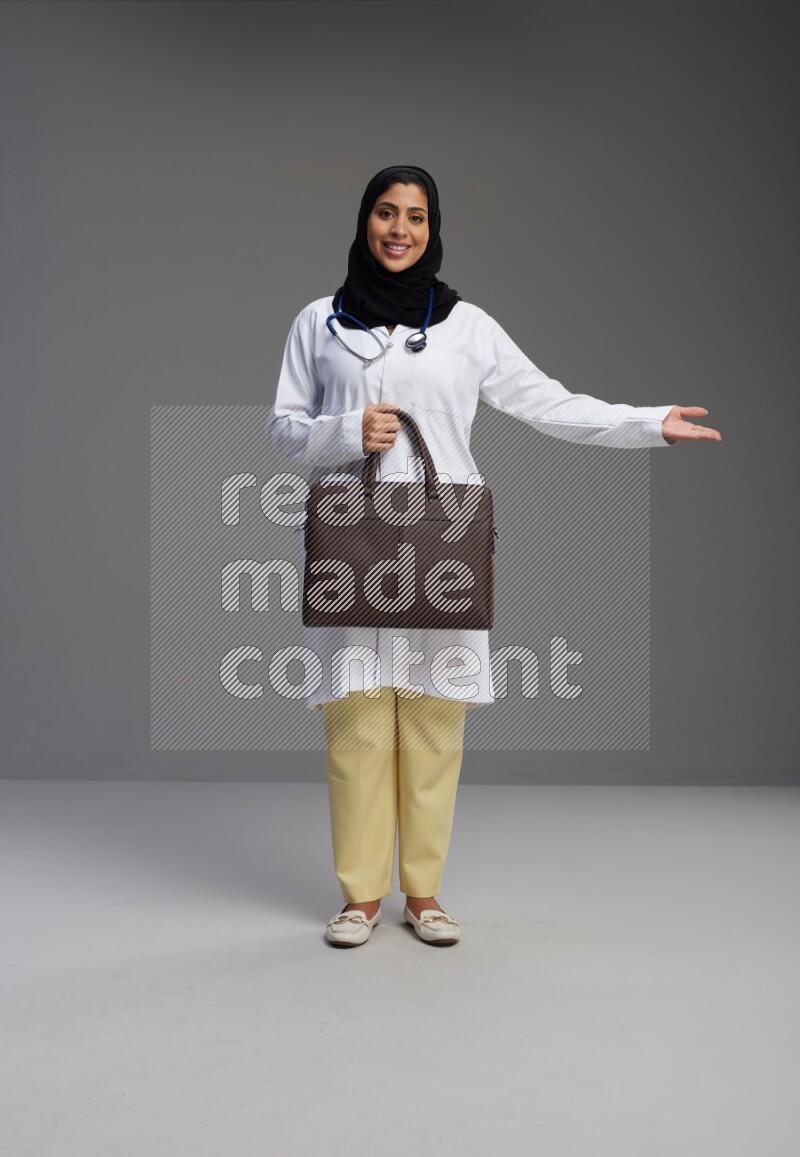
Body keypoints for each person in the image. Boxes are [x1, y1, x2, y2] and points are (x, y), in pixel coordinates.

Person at [264, 164, 721, 948]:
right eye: (385, 212)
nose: (399, 229)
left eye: (414, 215)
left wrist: (651, 422)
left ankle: (425, 893)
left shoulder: (467, 326)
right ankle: (360, 897)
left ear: (433, 228)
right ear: (364, 221)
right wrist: (343, 434)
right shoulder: (318, 321)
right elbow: (280, 426)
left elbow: (549, 402)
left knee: (436, 723)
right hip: (353, 533)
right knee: (358, 723)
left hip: (441, 538)